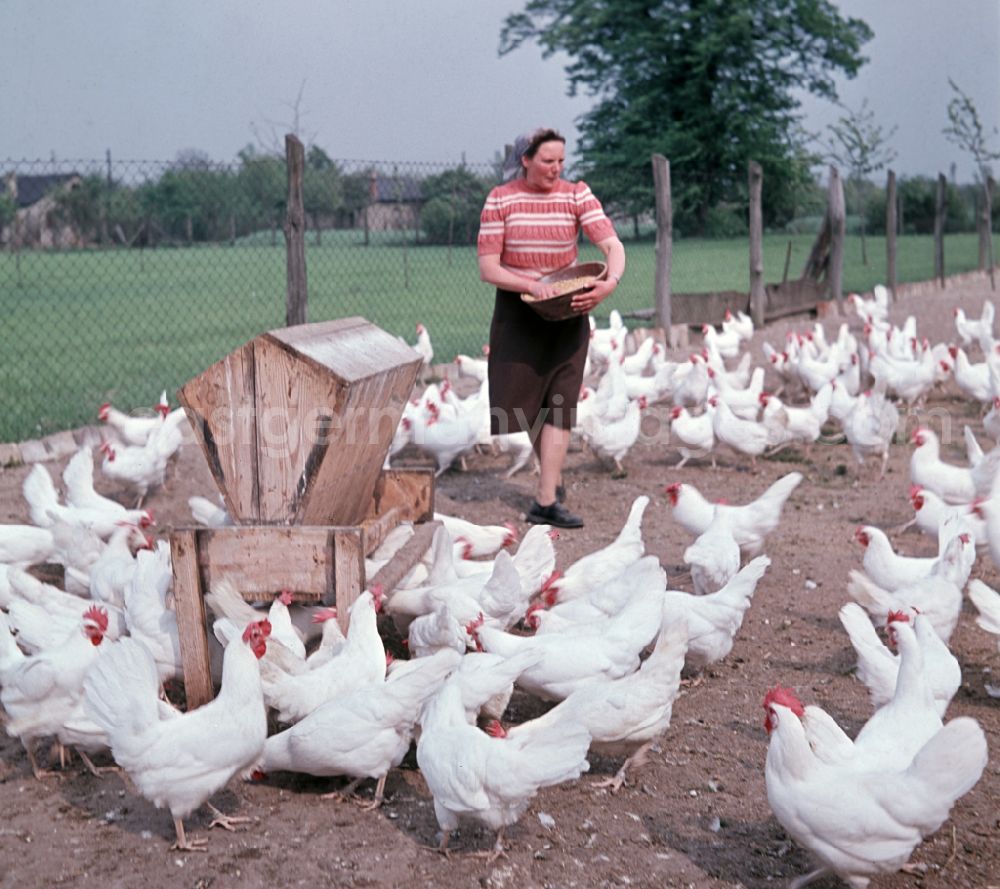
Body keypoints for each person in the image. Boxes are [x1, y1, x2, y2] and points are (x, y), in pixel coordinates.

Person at [477, 128, 626, 529]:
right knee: (525, 404)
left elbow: (612, 245)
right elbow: (488, 267)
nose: (556, 168)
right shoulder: (500, 200)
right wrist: (533, 285)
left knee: (561, 401)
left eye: (561, 161)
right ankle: (552, 480)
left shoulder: (576, 194)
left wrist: (607, 285)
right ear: (525, 159)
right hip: (519, 312)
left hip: (568, 307)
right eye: (547, 161)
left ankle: (544, 501)